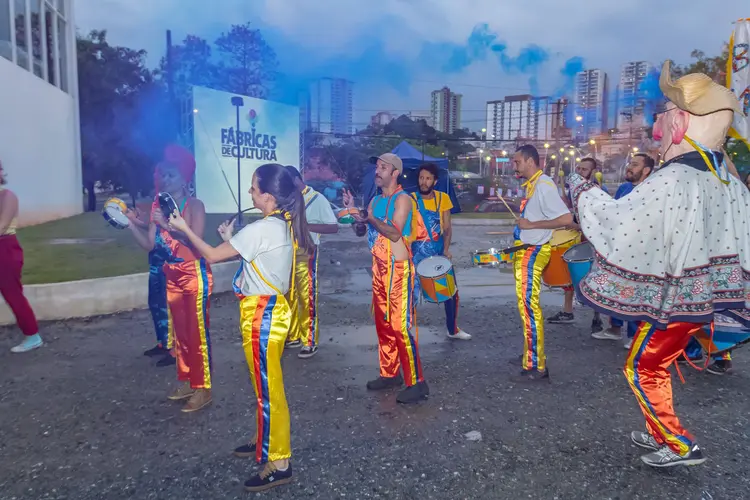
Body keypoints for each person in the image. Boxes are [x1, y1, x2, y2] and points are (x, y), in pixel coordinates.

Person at [566, 60, 750, 467]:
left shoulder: (673, 180)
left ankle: (681, 444)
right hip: (698, 301)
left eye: (662, 115)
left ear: (681, 122)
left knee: (641, 368)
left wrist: (580, 188)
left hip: (679, 302)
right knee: (654, 365)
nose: (655, 129)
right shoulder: (729, 181)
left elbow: (617, 223)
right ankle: (658, 431)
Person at [168, 163, 309, 492]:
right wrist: (233, 239)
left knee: (269, 390)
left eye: (254, 189)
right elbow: (255, 259)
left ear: (269, 197)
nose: (250, 193)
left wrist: (183, 229)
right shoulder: (277, 224)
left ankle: (280, 461)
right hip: (267, 311)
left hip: (263, 314)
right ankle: (264, 440)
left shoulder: (264, 229)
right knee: (263, 385)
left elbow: (213, 257)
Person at [126, 155, 213, 413]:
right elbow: (150, 246)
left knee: (198, 335)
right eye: (163, 175)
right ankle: (188, 381)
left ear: (185, 179)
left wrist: (168, 225)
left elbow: (194, 241)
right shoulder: (158, 207)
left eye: (172, 175)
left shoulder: (194, 205)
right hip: (171, 274)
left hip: (194, 273)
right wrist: (130, 223)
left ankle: (204, 388)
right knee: (181, 336)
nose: (165, 179)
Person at [343, 152, 429, 403]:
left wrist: (369, 218)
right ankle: (390, 373)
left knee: (400, 327)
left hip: (398, 271)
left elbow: (393, 232)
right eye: (377, 167)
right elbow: (362, 231)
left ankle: (418, 382)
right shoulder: (374, 201)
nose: (377, 171)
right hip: (379, 269)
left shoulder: (404, 199)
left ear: (395, 173)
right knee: (383, 325)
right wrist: (355, 217)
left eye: (383, 167)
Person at [510, 145, 573, 382]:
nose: (514, 166)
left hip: (534, 252)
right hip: (526, 250)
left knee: (529, 307)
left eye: (517, 162)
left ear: (529, 161)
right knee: (525, 307)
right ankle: (530, 354)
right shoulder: (533, 185)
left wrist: (531, 226)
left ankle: (537, 364)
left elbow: (566, 218)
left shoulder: (545, 185)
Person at [593, 153, 655, 348]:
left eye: (635, 165)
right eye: (630, 163)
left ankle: (636, 336)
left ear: (646, 170)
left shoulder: (653, 190)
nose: (629, 167)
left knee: (638, 292)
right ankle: (614, 328)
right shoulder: (624, 188)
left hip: (642, 250)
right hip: (619, 248)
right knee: (616, 289)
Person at [410, 162, 471, 340]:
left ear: (435, 181)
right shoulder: (410, 199)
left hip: (437, 252)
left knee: (451, 292)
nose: (424, 181)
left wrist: (445, 249)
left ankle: (452, 330)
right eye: (421, 177)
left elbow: (447, 228)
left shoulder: (443, 198)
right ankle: (404, 331)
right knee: (410, 294)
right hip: (416, 253)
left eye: (428, 178)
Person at [283, 165, 339, 358]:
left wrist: (305, 226)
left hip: (306, 253)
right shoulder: (286, 200)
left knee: (307, 298)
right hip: (286, 253)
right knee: (288, 295)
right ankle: (293, 335)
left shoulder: (317, 199)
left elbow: (333, 228)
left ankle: (310, 341)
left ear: (296, 179)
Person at [129, 165, 174, 366]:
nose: (161, 178)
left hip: (170, 264)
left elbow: (150, 242)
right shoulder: (161, 200)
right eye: (159, 174)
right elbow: (153, 227)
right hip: (157, 263)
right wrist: (137, 221)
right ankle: (163, 342)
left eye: (165, 174)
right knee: (156, 305)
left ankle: (173, 349)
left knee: (167, 307)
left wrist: (130, 224)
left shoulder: (175, 203)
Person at [548, 157, 600, 328]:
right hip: (577, 235)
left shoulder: (597, 191)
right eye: (578, 168)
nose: (579, 172)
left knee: (594, 276)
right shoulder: (572, 190)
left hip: (592, 240)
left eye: (584, 169)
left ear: (593, 173)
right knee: (570, 274)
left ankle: (597, 316)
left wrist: (578, 226)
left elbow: (599, 220)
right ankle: (567, 311)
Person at [0, 161, 43, 353]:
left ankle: (32, 336)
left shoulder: (7, 196)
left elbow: (1, 226)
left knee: (12, 293)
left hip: (5, 248)